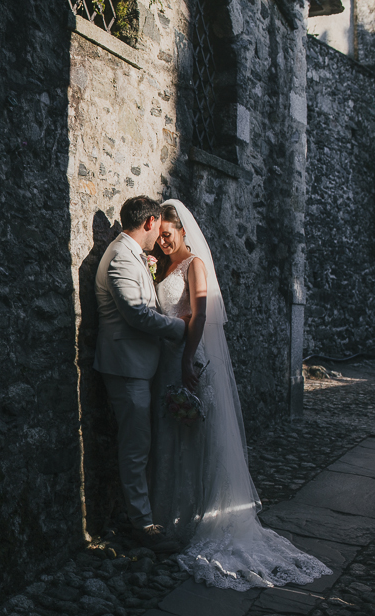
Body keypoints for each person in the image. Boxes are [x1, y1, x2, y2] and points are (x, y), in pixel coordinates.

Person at [148, 200, 331, 589]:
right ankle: (174, 513)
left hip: (189, 358)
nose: (163, 242)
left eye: (168, 234)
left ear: (182, 231)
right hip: (164, 363)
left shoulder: (195, 264)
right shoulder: (161, 266)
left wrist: (187, 360)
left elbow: (200, 314)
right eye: (159, 235)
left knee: (200, 438)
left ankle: (204, 517)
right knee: (173, 437)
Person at [94, 196, 187, 553]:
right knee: (135, 448)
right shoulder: (119, 257)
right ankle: (142, 526)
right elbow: (137, 315)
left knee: (141, 444)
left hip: (137, 365)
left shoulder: (130, 255)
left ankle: (141, 515)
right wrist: (179, 328)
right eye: (157, 228)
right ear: (149, 222)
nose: (158, 239)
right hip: (126, 366)